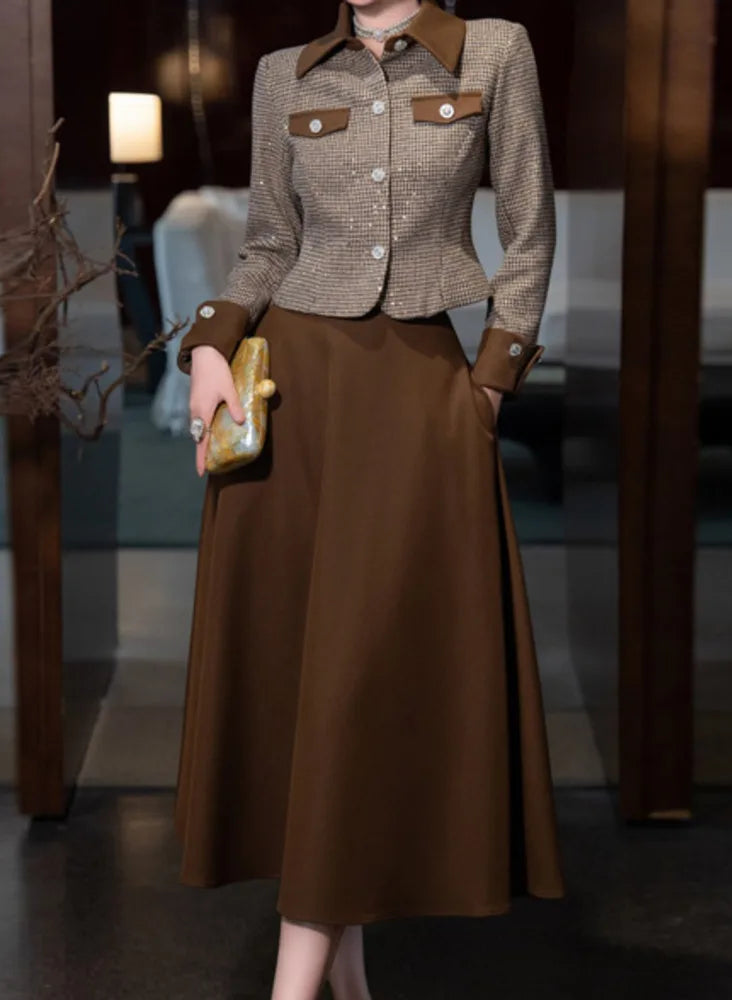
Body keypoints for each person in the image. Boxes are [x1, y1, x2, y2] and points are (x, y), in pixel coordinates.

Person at [174, 1, 564, 997]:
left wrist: (487, 388)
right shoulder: (284, 71)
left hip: (422, 394)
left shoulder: (495, 50)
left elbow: (528, 235)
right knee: (311, 675)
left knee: (364, 672)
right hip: (297, 399)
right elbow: (269, 243)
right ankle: (337, 982)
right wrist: (211, 346)